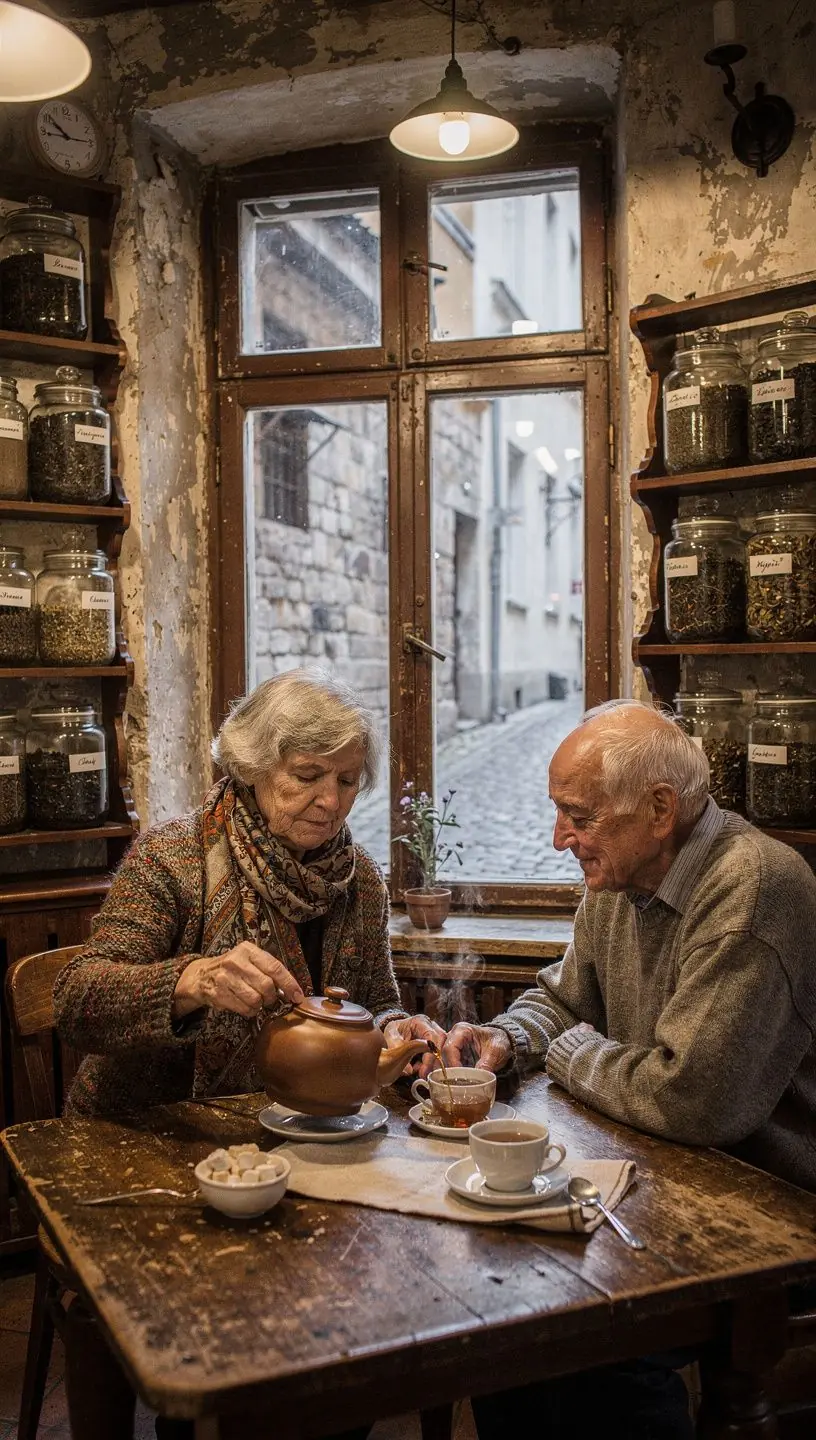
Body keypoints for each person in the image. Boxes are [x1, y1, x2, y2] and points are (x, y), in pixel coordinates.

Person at [54, 668, 443, 1439]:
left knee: (346, 1307)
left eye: (346, 781)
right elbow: (77, 999)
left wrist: (402, 1031)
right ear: (253, 768)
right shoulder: (173, 861)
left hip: (293, 1145)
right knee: (228, 1329)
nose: (329, 800)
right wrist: (193, 979)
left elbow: (377, 1001)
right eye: (307, 776)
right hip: (149, 1146)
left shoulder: (358, 881)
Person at [444, 698, 816, 1440]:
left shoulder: (755, 889)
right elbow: (565, 998)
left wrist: (569, 1051)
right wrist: (506, 1040)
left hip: (767, 1211)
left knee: (595, 1347)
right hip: (660, 1179)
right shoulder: (621, 879)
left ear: (659, 809)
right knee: (503, 1315)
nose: (560, 838)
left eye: (578, 816)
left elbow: (694, 1099)